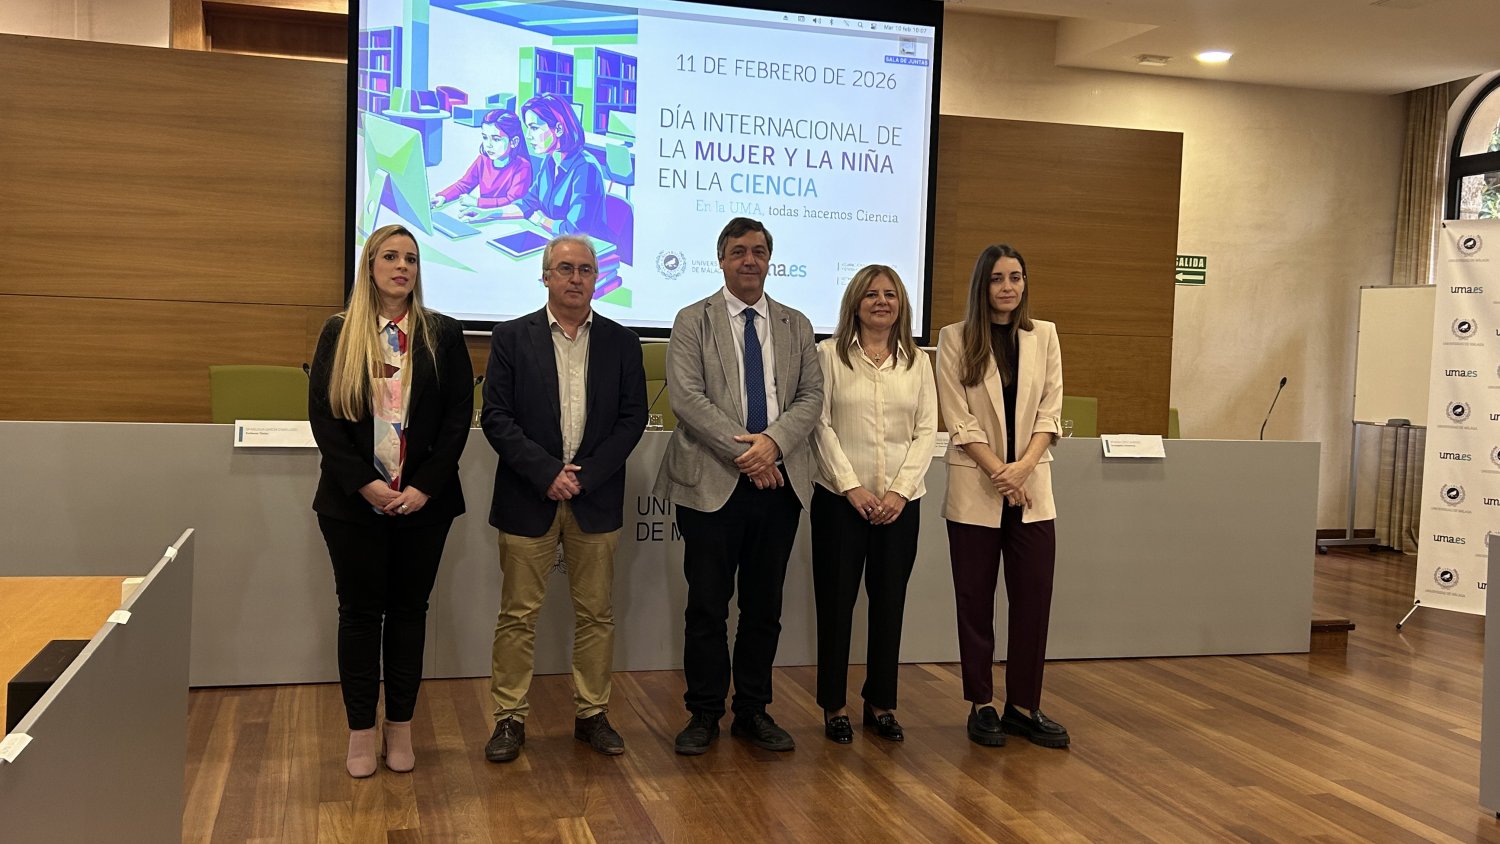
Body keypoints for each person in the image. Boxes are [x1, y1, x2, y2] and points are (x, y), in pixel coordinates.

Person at [308, 224, 475, 777]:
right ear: (370, 266)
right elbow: (324, 420)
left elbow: (456, 420)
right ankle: (360, 732)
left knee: (409, 614)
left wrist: (423, 485)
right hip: (353, 504)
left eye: (411, 258)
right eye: (390, 257)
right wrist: (365, 484)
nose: (401, 266)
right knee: (358, 615)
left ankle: (399, 728)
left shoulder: (442, 334)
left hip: (424, 503)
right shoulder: (340, 332)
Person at [653, 217, 824, 755]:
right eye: (737, 251)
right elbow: (686, 398)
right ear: (721, 259)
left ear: (770, 259)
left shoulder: (797, 324)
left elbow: (811, 398)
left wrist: (772, 445)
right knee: (706, 604)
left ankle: (753, 709)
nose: (749, 260)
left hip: (780, 483)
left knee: (763, 607)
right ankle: (703, 712)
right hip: (712, 481)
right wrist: (749, 455)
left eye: (758, 251)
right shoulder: (691, 320)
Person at [480, 234, 647, 762]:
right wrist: (547, 473)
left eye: (586, 270)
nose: (576, 278)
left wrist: (584, 477)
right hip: (529, 495)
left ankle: (592, 714)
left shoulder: (623, 343)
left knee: (596, 614)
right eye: (565, 269)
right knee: (517, 615)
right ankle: (509, 718)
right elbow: (496, 418)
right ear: (545, 275)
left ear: (597, 278)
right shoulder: (510, 338)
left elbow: (631, 419)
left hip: (594, 499)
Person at [935, 243, 1070, 750]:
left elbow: (1050, 412)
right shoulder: (954, 338)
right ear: (982, 285)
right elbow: (958, 417)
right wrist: (1000, 471)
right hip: (977, 481)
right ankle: (982, 704)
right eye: (997, 278)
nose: (1008, 287)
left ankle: (1023, 706)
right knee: (975, 599)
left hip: (1033, 484)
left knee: (1033, 598)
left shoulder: (1045, 336)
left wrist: (1023, 469)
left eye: (1016, 277)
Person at [809, 264, 936, 744]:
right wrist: (852, 488)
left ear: (901, 304)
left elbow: (927, 431)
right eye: (871, 294)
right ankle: (834, 706)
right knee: (836, 606)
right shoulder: (827, 356)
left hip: (901, 506)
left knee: (890, 606)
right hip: (841, 502)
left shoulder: (917, 361)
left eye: (890, 295)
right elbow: (820, 425)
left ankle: (881, 702)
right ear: (855, 303)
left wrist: (900, 490)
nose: (881, 302)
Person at [513, 93, 605, 237]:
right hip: (553, 241)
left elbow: (574, 231)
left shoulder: (586, 168)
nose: (528, 135)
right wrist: (488, 214)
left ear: (559, 129)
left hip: (584, 252)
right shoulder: (549, 161)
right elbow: (527, 204)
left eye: (534, 128)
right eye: (528, 128)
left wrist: (541, 220)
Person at [430, 110, 534, 218]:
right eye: (485, 137)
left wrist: (478, 202)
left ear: (514, 142)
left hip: (506, 218)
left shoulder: (522, 166)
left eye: (496, 139)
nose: (488, 145)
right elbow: (463, 185)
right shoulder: (483, 160)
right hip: (481, 215)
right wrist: (443, 197)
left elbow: (512, 201)